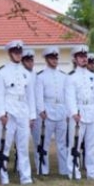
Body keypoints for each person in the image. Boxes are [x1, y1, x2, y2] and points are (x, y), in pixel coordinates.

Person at [0, 40, 37, 185]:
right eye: (15, 52)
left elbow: (30, 96)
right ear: (9, 53)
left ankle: (26, 177)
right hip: (8, 112)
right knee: (5, 146)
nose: (18, 55)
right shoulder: (2, 73)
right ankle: (4, 176)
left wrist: (32, 116)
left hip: (23, 111)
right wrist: (1, 113)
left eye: (20, 52)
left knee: (23, 146)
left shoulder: (27, 74)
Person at [65, 44, 94, 179]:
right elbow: (70, 96)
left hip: (92, 111)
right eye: (80, 57)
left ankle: (92, 171)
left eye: (85, 56)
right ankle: (73, 171)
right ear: (75, 59)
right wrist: (74, 112)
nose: (84, 59)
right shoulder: (71, 78)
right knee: (75, 145)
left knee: (91, 145)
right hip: (78, 112)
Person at [34, 47, 70, 176]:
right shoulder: (41, 76)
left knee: (62, 143)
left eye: (56, 58)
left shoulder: (63, 76)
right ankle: (42, 169)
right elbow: (38, 95)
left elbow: (67, 95)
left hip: (61, 110)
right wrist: (41, 110)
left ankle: (64, 169)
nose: (54, 60)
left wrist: (67, 112)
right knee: (44, 143)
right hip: (47, 111)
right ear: (46, 59)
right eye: (51, 58)